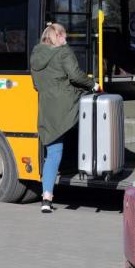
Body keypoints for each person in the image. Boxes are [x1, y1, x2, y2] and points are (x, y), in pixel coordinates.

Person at [30, 23, 97, 213]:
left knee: (53, 153)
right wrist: (93, 84)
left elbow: (36, 84)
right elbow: (75, 76)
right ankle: (93, 166)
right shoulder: (63, 52)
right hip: (68, 103)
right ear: (57, 36)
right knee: (90, 119)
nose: (66, 40)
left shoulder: (36, 55)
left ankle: (46, 198)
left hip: (46, 106)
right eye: (64, 37)